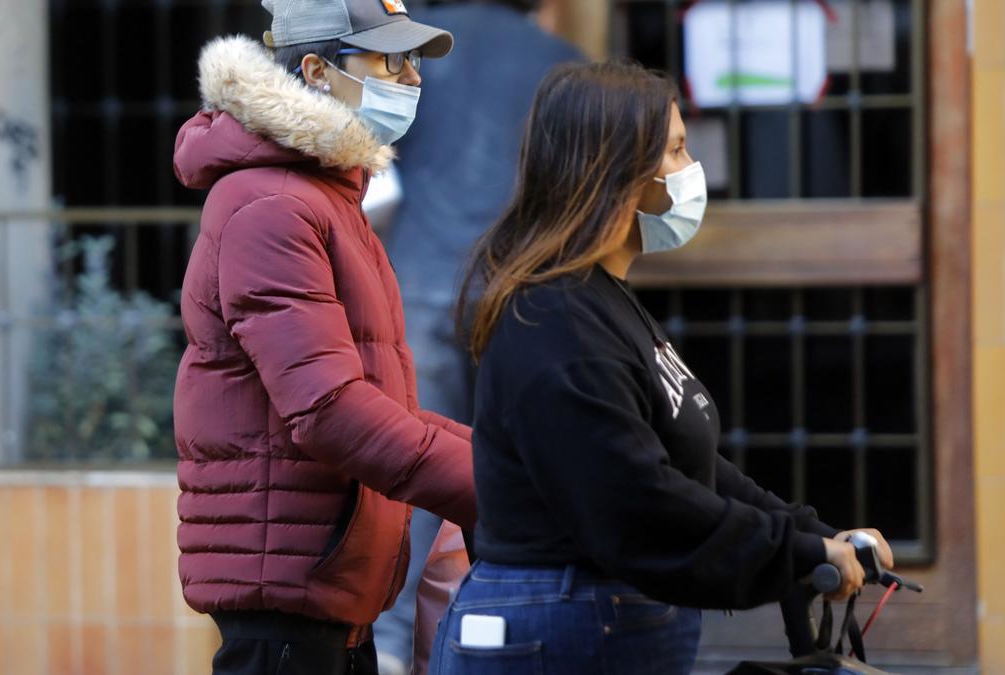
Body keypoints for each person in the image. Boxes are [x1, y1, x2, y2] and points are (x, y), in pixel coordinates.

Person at [429, 60, 896, 675]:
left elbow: (688, 463)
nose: (690, 170)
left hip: (596, 622)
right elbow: (636, 500)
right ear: (621, 171)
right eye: (676, 150)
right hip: (556, 633)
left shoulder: (599, 298)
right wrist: (794, 552)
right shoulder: (552, 319)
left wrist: (807, 534)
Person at [170, 1, 477, 672]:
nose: (412, 79)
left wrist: (503, 462)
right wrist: (491, 483)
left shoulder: (323, 196)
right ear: (314, 70)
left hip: (324, 608)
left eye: (413, 61)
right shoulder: (273, 203)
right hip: (289, 614)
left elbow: (372, 405)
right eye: (389, 61)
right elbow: (330, 410)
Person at [373, 3, 578, 668]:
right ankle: (515, 644)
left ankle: (391, 649)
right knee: (525, 483)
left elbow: (373, 164)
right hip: (514, 297)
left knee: (409, 490)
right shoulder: (557, 62)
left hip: (417, 282)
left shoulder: (413, 49)